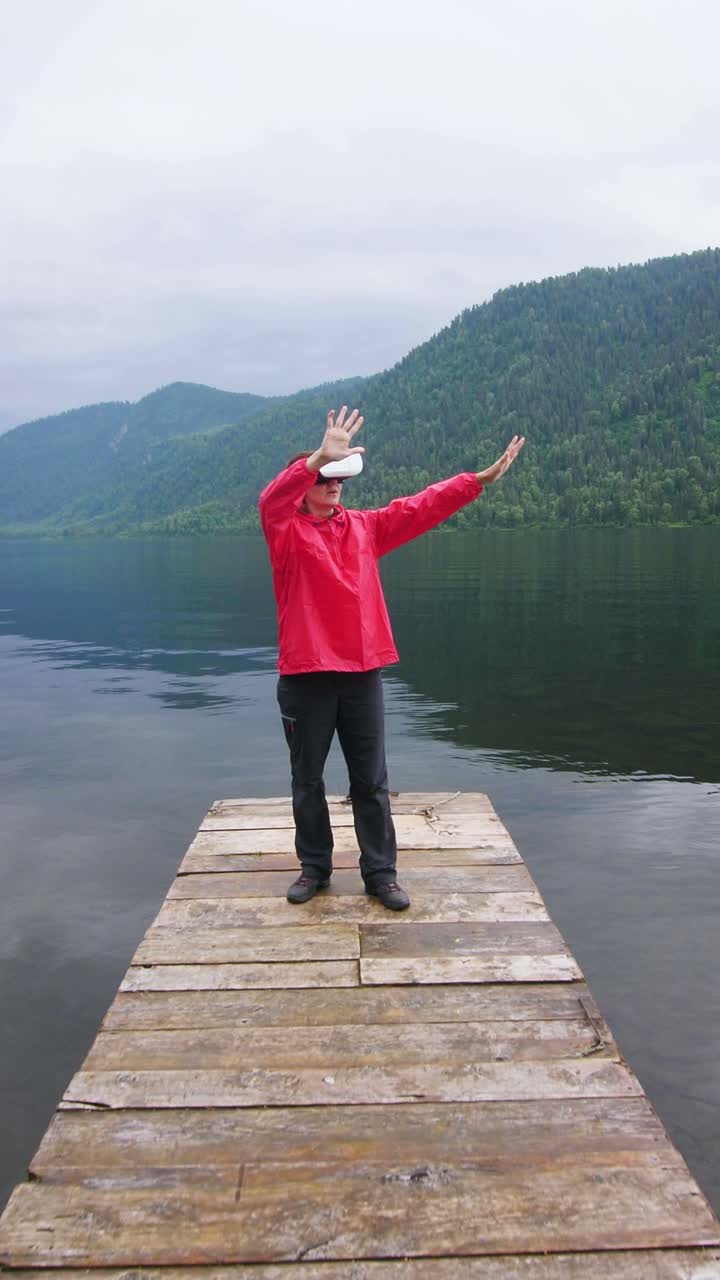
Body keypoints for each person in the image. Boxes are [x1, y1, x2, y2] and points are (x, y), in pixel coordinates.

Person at [259, 406, 524, 910]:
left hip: (361, 674)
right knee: (307, 781)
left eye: (339, 478)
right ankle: (314, 868)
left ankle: (380, 874)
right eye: (325, 478)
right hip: (306, 678)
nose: (335, 485)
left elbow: (420, 507)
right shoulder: (285, 533)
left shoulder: (365, 528)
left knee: (372, 781)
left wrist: (478, 481)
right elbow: (271, 500)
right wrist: (317, 456)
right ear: (306, 484)